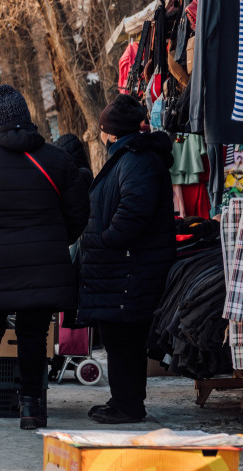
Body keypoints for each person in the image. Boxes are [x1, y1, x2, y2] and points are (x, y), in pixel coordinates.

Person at [0, 85, 90, 430]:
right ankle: (30, 408)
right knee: (33, 334)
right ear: (27, 118)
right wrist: (56, 241)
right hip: (41, 264)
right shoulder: (57, 158)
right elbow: (79, 211)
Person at [78, 95, 175, 424]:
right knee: (120, 337)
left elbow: (133, 214)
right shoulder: (131, 156)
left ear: (110, 132)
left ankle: (128, 405)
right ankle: (123, 400)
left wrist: (104, 240)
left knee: (123, 338)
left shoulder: (137, 159)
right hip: (123, 266)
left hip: (129, 267)